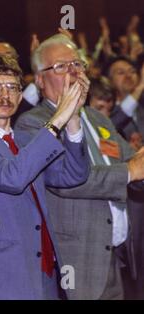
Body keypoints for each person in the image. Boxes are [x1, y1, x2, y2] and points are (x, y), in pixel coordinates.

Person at [15, 33, 144, 300]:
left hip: (119, 253)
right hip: (79, 257)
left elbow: (131, 160)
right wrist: (129, 171)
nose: (73, 72)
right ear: (40, 79)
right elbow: (68, 180)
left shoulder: (98, 118)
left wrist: (138, 166)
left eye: (77, 64)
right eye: (61, 66)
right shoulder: (32, 124)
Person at [0, 54, 90, 299]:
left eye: (12, 87)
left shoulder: (25, 140)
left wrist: (74, 118)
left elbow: (73, 174)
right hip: (2, 275)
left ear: (21, 95)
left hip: (43, 272)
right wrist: (57, 120)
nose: (5, 95)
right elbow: (12, 178)